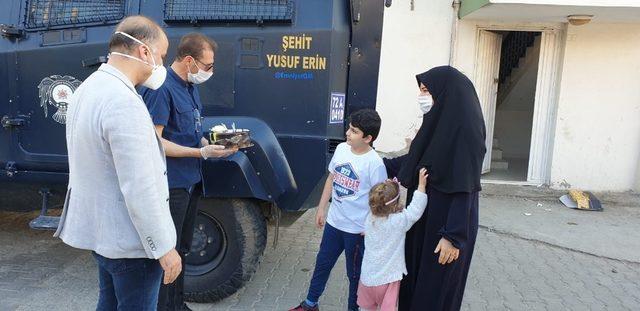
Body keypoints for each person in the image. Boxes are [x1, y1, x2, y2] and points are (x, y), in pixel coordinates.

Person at [54, 16, 182, 310]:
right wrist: (164, 247)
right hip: (132, 245)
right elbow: (140, 185)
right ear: (143, 51)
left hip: (103, 237)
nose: (161, 64)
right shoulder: (123, 101)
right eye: (161, 55)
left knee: (108, 304)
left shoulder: (88, 88)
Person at [139, 33, 237, 311]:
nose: (211, 71)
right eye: (208, 65)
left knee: (181, 250)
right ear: (190, 60)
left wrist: (214, 145)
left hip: (190, 182)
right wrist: (200, 153)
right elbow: (155, 143)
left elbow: (189, 133)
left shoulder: (190, 86)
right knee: (165, 254)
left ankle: (176, 304)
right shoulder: (161, 88)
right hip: (170, 186)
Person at [384, 66, 486, 311]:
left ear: (446, 94)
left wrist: (453, 236)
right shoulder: (436, 126)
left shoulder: (465, 134)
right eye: (421, 90)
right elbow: (413, 161)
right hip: (423, 215)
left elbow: (466, 188)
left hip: (447, 224)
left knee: (434, 291)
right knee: (415, 281)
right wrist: (370, 161)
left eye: (427, 90)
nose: (423, 96)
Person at [290, 109, 388, 311]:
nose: (348, 134)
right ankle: (310, 304)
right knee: (322, 264)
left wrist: (373, 225)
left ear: (368, 138)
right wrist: (321, 208)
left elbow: (380, 200)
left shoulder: (375, 163)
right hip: (334, 224)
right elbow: (331, 178)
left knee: (354, 276)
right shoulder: (342, 149)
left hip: (357, 232)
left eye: (354, 131)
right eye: (349, 129)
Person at [358, 168, 429, 311]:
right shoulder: (399, 221)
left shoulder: (369, 219)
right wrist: (421, 186)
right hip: (388, 280)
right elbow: (415, 210)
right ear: (395, 203)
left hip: (367, 278)